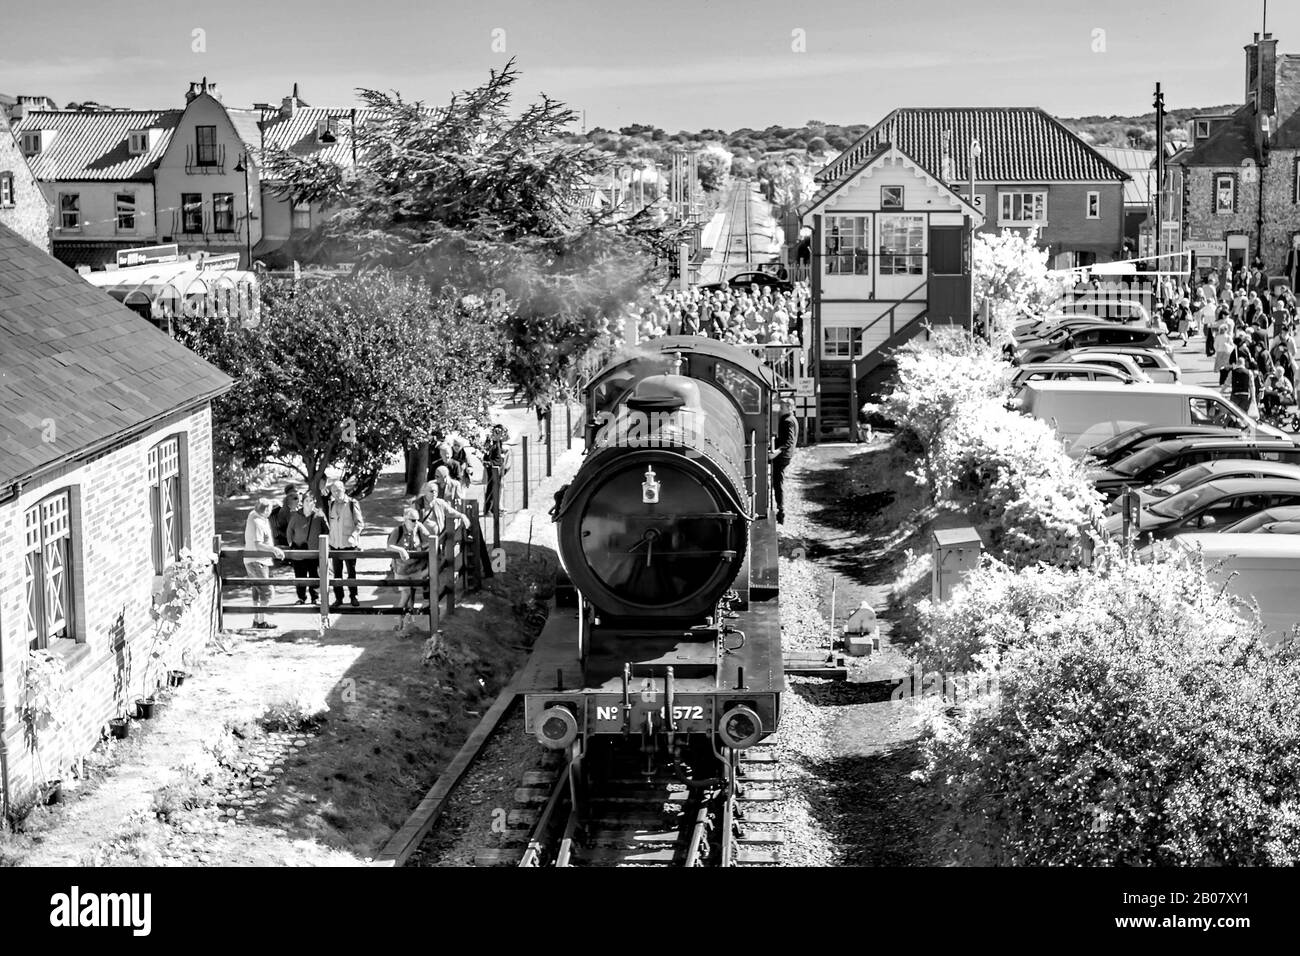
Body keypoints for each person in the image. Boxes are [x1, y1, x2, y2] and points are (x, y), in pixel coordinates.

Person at [243, 498, 283, 629]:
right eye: (270, 509)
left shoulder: (253, 514)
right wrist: (274, 549)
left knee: (257, 590)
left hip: (255, 560)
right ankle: (260, 621)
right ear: (266, 510)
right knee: (267, 592)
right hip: (257, 561)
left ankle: (256, 619)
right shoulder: (258, 523)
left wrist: (271, 502)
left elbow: (261, 505)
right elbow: (258, 544)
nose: (272, 511)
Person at [326, 479, 365, 609]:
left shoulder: (352, 503)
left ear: (344, 489)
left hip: (349, 545)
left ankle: (354, 596)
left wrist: (354, 536)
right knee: (337, 573)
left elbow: (360, 524)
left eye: (338, 490)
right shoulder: (331, 504)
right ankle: (339, 598)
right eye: (333, 491)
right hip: (335, 545)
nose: (336, 493)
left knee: (351, 573)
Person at [386, 506, 431, 613]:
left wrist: (422, 548)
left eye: (418, 519)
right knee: (406, 595)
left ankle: (408, 622)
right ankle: (397, 619)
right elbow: (389, 546)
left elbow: (430, 540)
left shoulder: (419, 527)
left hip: (415, 569)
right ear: (405, 520)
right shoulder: (398, 531)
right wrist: (402, 550)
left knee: (412, 597)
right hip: (402, 569)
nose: (416, 522)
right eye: (413, 520)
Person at [286, 493, 328, 605]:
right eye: (306, 500)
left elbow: (326, 530)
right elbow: (289, 531)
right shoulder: (296, 516)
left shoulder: (319, 515)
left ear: (314, 502)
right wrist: (291, 544)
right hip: (299, 551)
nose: (309, 503)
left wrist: (322, 545)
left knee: (315, 575)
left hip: (314, 551)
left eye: (311, 500)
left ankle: (315, 597)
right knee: (300, 575)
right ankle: (301, 598)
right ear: (302, 502)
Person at [770, 397, 798, 524]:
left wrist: (776, 452)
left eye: (783, 407)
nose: (780, 409)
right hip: (785, 454)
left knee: (778, 481)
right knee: (777, 480)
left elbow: (789, 441)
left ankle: (781, 509)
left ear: (790, 407)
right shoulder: (789, 419)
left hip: (783, 455)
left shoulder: (788, 421)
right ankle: (780, 509)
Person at [483, 424, 510, 517]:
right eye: (500, 434)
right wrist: (493, 465)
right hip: (493, 468)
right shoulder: (491, 443)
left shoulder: (498, 442)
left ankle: (495, 509)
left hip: (498, 467)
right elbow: (487, 456)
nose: (502, 436)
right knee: (491, 489)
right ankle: (488, 510)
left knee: (496, 489)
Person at [270, 484, 297, 549]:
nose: (296, 494)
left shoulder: (292, 506)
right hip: (283, 540)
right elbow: (293, 528)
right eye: (293, 493)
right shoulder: (286, 509)